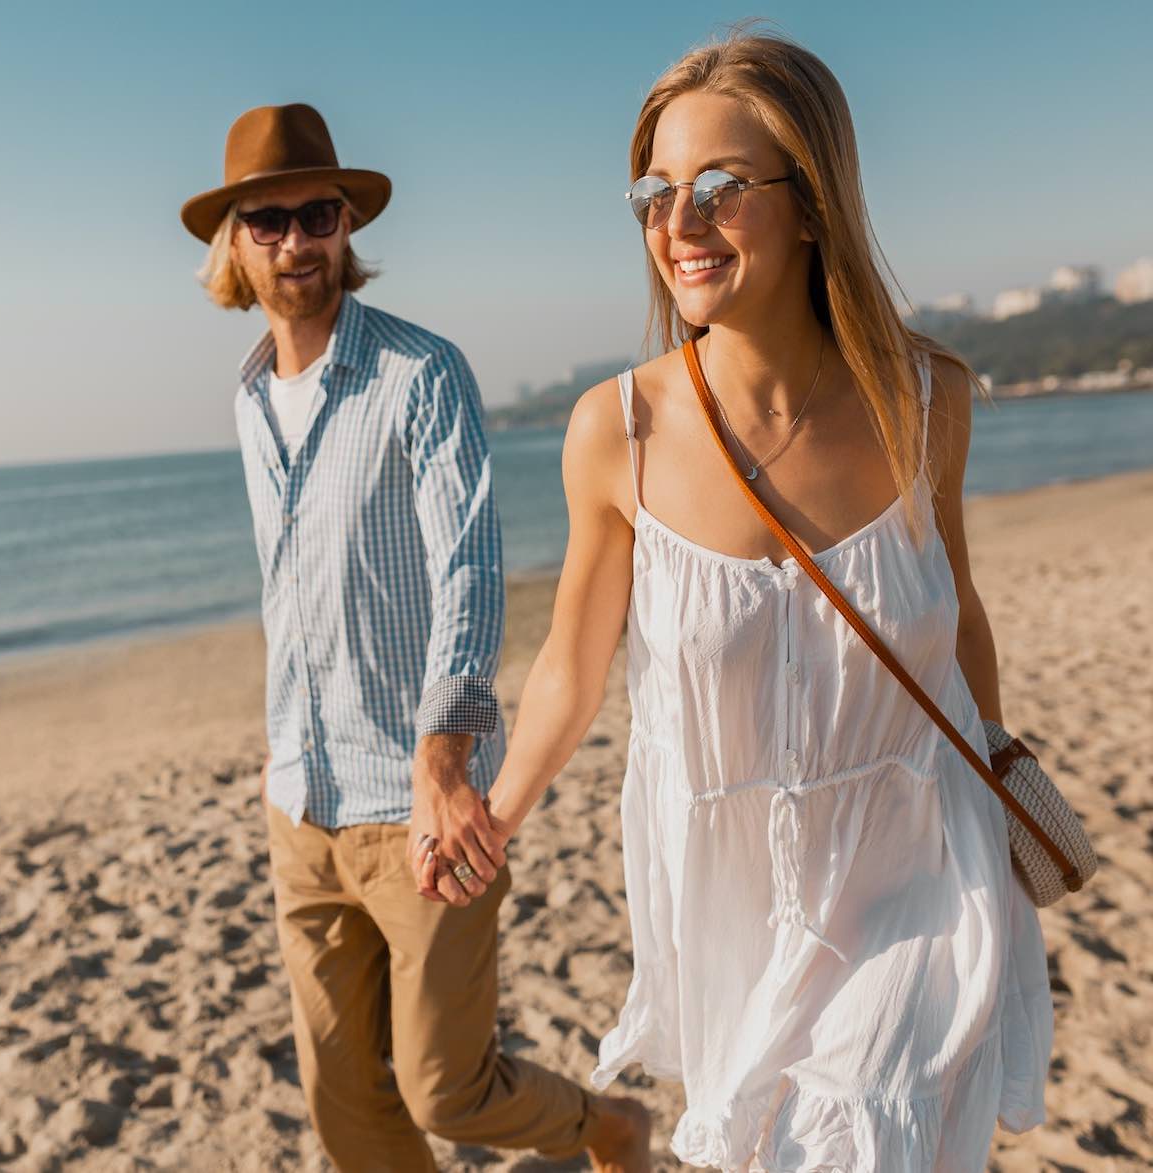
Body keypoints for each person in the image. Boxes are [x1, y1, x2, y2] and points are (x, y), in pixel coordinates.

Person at [417, 30, 1053, 1171]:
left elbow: (956, 615)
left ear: (812, 203)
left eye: (719, 188)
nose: (678, 223)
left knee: (867, 1131)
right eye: (655, 193)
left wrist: (1003, 787)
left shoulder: (925, 400)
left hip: (915, 861)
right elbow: (571, 659)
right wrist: (496, 814)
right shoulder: (618, 433)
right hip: (727, 906)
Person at [180, 103, 650, 1171]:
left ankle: (607, 1126)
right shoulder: (251, 395)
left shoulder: (420, 375)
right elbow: (289, 595)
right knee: (343, 1102)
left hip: (419, 811)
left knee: (446, 1088)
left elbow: (471, 568)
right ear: (235, 243)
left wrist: (443, 762)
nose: (296, 240)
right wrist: (277, 761)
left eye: (316, 214)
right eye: (268, 221)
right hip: (300, 802)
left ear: (347, 225)